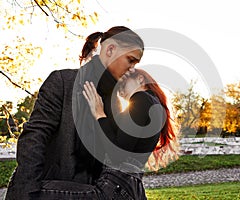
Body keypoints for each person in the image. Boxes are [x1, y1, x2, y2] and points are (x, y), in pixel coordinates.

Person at [5, 26, 144, 200]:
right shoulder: (63, 82)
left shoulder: (117, 102)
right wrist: (27, 192)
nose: (132, 69)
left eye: (136, 64)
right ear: (110, 50)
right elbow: (34, 138)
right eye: (130, 60)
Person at [35, 68, 180, 199]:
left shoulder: (141, 98)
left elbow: (117, 154)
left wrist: (99, 113)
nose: (120, 91)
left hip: (115, 187)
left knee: (34, 190)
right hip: (133, 187)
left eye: (123, 83)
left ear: (140, 79)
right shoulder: (156, 108)